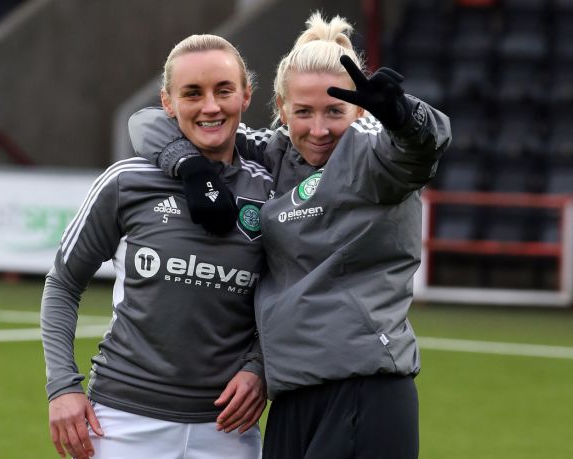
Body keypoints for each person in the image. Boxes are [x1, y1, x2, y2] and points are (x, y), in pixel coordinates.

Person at [129, 12, 451, 459]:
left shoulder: (373, 157)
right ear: (281, 109)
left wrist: (404, 116)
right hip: (291, 396)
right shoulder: (274, 154)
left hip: (363, 390)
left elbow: (422, 147)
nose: (319, 129)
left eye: (335, 111)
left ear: (360, 110)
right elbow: (150, 123)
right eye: (303, 112)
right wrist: (191, 167)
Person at [41, 34, 274, 459]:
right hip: (121, 421)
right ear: (167, 103)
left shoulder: (272, 193)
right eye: (192, 93)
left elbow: (287, 295)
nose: (210, 106)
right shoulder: (126, 181)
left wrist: (259, 367)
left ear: (246, 95)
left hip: (227, 429)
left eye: (223, 90)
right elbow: (63, 283)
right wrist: (62, 387)